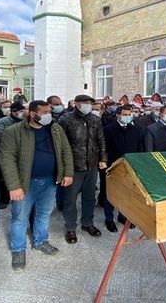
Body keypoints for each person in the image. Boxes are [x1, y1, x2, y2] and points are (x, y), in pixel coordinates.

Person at [0, 100, 74, 270]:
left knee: (44, 213)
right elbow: (6, 159)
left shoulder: (55, 129)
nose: (50, 114)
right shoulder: (13, 131)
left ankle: (41, 241)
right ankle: (18, 249)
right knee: (20, 217)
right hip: (25, 183)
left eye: (50, 111)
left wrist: (68, 173)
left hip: (50, 181)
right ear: (33, 114)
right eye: (45, 112)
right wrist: (13, 186)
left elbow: (66, 150)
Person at [58, 94, 108, 244]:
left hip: (92, 165)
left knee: (89, 197)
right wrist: (65, 168)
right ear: (76, 104)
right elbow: (61, 145)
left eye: (89, 103)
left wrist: (103, 158)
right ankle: (71, 227)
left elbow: (101, 140)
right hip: (73, 166)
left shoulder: (95, 119)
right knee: (70, 199)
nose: (88, 105)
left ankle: (87, 223)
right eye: (85, 102)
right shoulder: (65, 120)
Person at [103, 105, 145, 232]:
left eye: (129, 114)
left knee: (127, 193)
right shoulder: (108, 129)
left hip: (131, 167)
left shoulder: (137, 129)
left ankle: (123, 216)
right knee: (110, 193)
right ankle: (109, 219)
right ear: (118, 115)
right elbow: (104, 148)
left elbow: (140, 148)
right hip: (114, 165)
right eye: (125, 114)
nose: (128, 117)